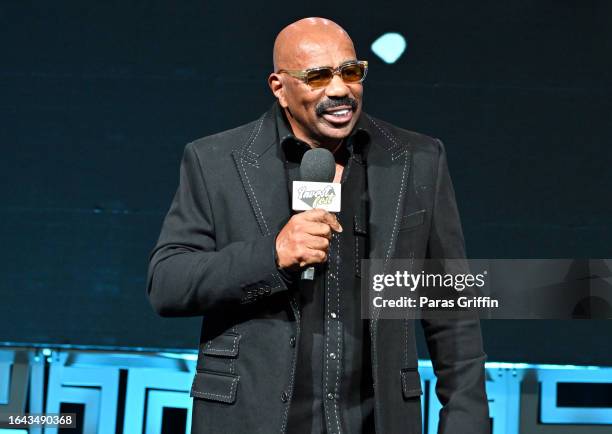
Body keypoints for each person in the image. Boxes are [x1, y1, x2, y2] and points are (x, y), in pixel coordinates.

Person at [147, 17, 490, 434]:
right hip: (251, 420)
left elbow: (450, 305)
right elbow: (167, 283)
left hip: (376, 421)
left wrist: (466, 421)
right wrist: (271, 255)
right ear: (279, 88)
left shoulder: (417, 160)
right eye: (318, 76)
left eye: (350, 72)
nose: (340, 89)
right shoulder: (215, 161)